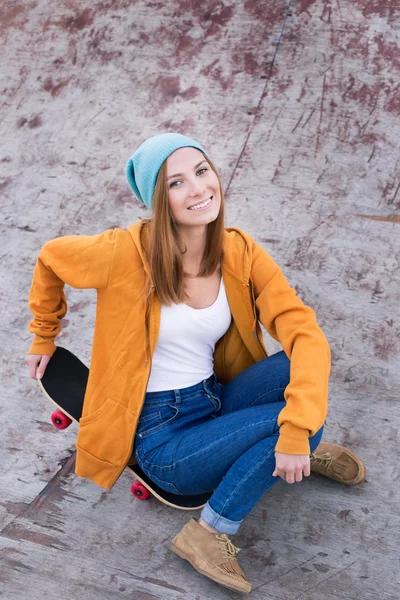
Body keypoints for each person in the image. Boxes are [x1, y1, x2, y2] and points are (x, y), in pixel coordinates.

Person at [26, 133, 366, 595]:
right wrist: (44, 334)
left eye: (202, 171)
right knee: (291, 421)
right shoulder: (123, 252)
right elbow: (50, 258)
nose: (197, 189)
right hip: (162, 439)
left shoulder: (238, 250)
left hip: (213, 400)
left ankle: (293, 445)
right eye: (175, 183)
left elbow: (303, 331)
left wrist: (297, 425)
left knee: (300, 363)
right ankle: (208, 532)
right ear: (157, 199)